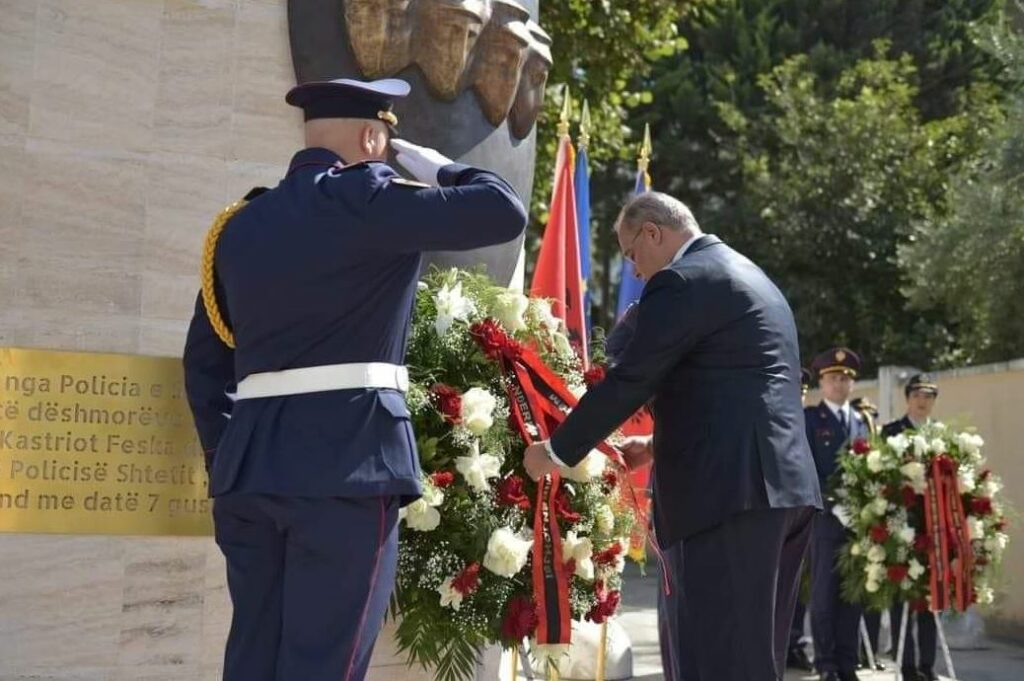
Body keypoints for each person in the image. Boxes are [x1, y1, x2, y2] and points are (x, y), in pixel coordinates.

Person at [183, 77, 526, 681]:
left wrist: (226, 453)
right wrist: (444, 171)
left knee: (252, 660)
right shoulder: (370, 197)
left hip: (249, 476)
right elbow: (503, 209)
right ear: (373, 136)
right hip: (348, 468)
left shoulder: (239, 225)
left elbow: (205, 362)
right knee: (324, 664)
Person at [522, 191, 822, 681]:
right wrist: (656, 447)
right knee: (752, 658)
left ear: (653, 233)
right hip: (779, 492)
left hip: (730, 499)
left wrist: (555, 450)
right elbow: (740, 394)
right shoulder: (749, 275)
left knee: (717, 662)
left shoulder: (682, 280)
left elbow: (630, 381)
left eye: (632, 255)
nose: (636, 273)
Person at [806, 348, 870, 681]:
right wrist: (833, 504)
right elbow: (806, 470)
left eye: (845, 378)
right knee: (824, 595)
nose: (839, 384)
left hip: (858, 522)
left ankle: (848, 661)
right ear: (821, 382)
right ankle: (826, 662)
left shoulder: (862, 422)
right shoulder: (810, 420)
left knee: (853, 594)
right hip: (826, 521)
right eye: (833, 378)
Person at [882, 374, 941, 681]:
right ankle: (905, 666)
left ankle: (927, 667)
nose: (923, 400)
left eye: (929, 396)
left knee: (930, 599)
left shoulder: (942, 437)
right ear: (907, 398)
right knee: (900, 597)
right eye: (918, 394)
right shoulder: (891, 432)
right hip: (900, 526)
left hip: (934, 528)